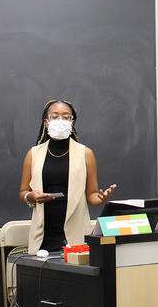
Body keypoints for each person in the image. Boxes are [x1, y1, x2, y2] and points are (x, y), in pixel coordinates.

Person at [19, 99, 117, 253]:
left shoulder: (85, 154)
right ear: (46, 122)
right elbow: (23, 192)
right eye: (55, 116)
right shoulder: (33, 154)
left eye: (66, 117)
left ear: (72, 123)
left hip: (76, 235)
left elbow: (92, 195)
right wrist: (31, 196)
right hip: (42, 237)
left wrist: (101, 198)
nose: (60, 121)